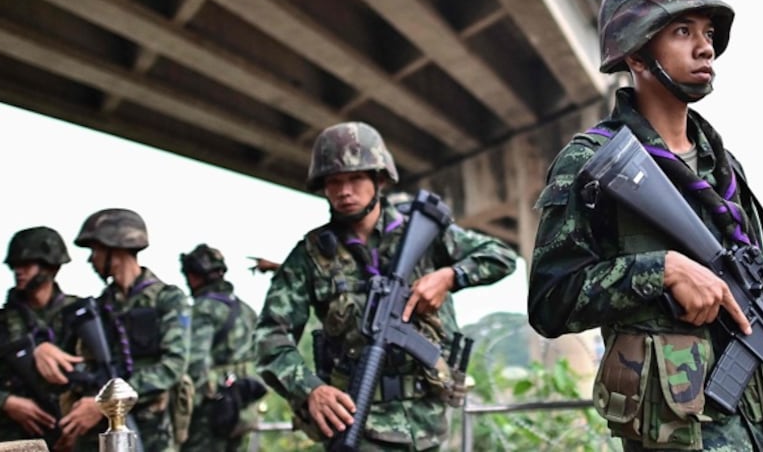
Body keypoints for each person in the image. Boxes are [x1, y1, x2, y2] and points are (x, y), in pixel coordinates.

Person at [526, 0, 763, 451]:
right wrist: (661, 270)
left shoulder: (724, 171)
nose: (705, 46)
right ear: (637, 52)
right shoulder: (592, 165)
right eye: (681, 30)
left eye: (708, 32)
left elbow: (756, 309)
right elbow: (549, 301)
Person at [254, 121, 519, 450]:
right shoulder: (309, 257)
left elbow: (502, 255)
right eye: (334, 181)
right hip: (359, 424)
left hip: (430, 421)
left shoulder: (421, 233)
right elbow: (270, 337)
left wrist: (450, 277)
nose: (344, 191)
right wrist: (310, 389)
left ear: (379, 179)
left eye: (355, 178)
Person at [34, 208, 192, 452]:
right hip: (97, 436)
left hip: (152, 433)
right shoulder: (96, 308)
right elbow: (66, 353)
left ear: (115, 248)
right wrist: (43, 348)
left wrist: (104, 404)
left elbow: (172, 366)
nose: (91, 260)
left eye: (95, 250)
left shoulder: (167, 299)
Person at [0, 226, 82, 449]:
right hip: (13, 439)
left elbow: (105, 373)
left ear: (50, 266)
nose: (18, 271)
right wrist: (7, 403)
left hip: (72, 438)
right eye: (14, 266)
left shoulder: (81, 315)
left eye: (26, 265)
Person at [179, 243, 267, 452]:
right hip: (244, 406)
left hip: (212, 409)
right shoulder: (246, 309)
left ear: (195, 275)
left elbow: (195, 363)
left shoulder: (203, 310)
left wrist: (186, 407)